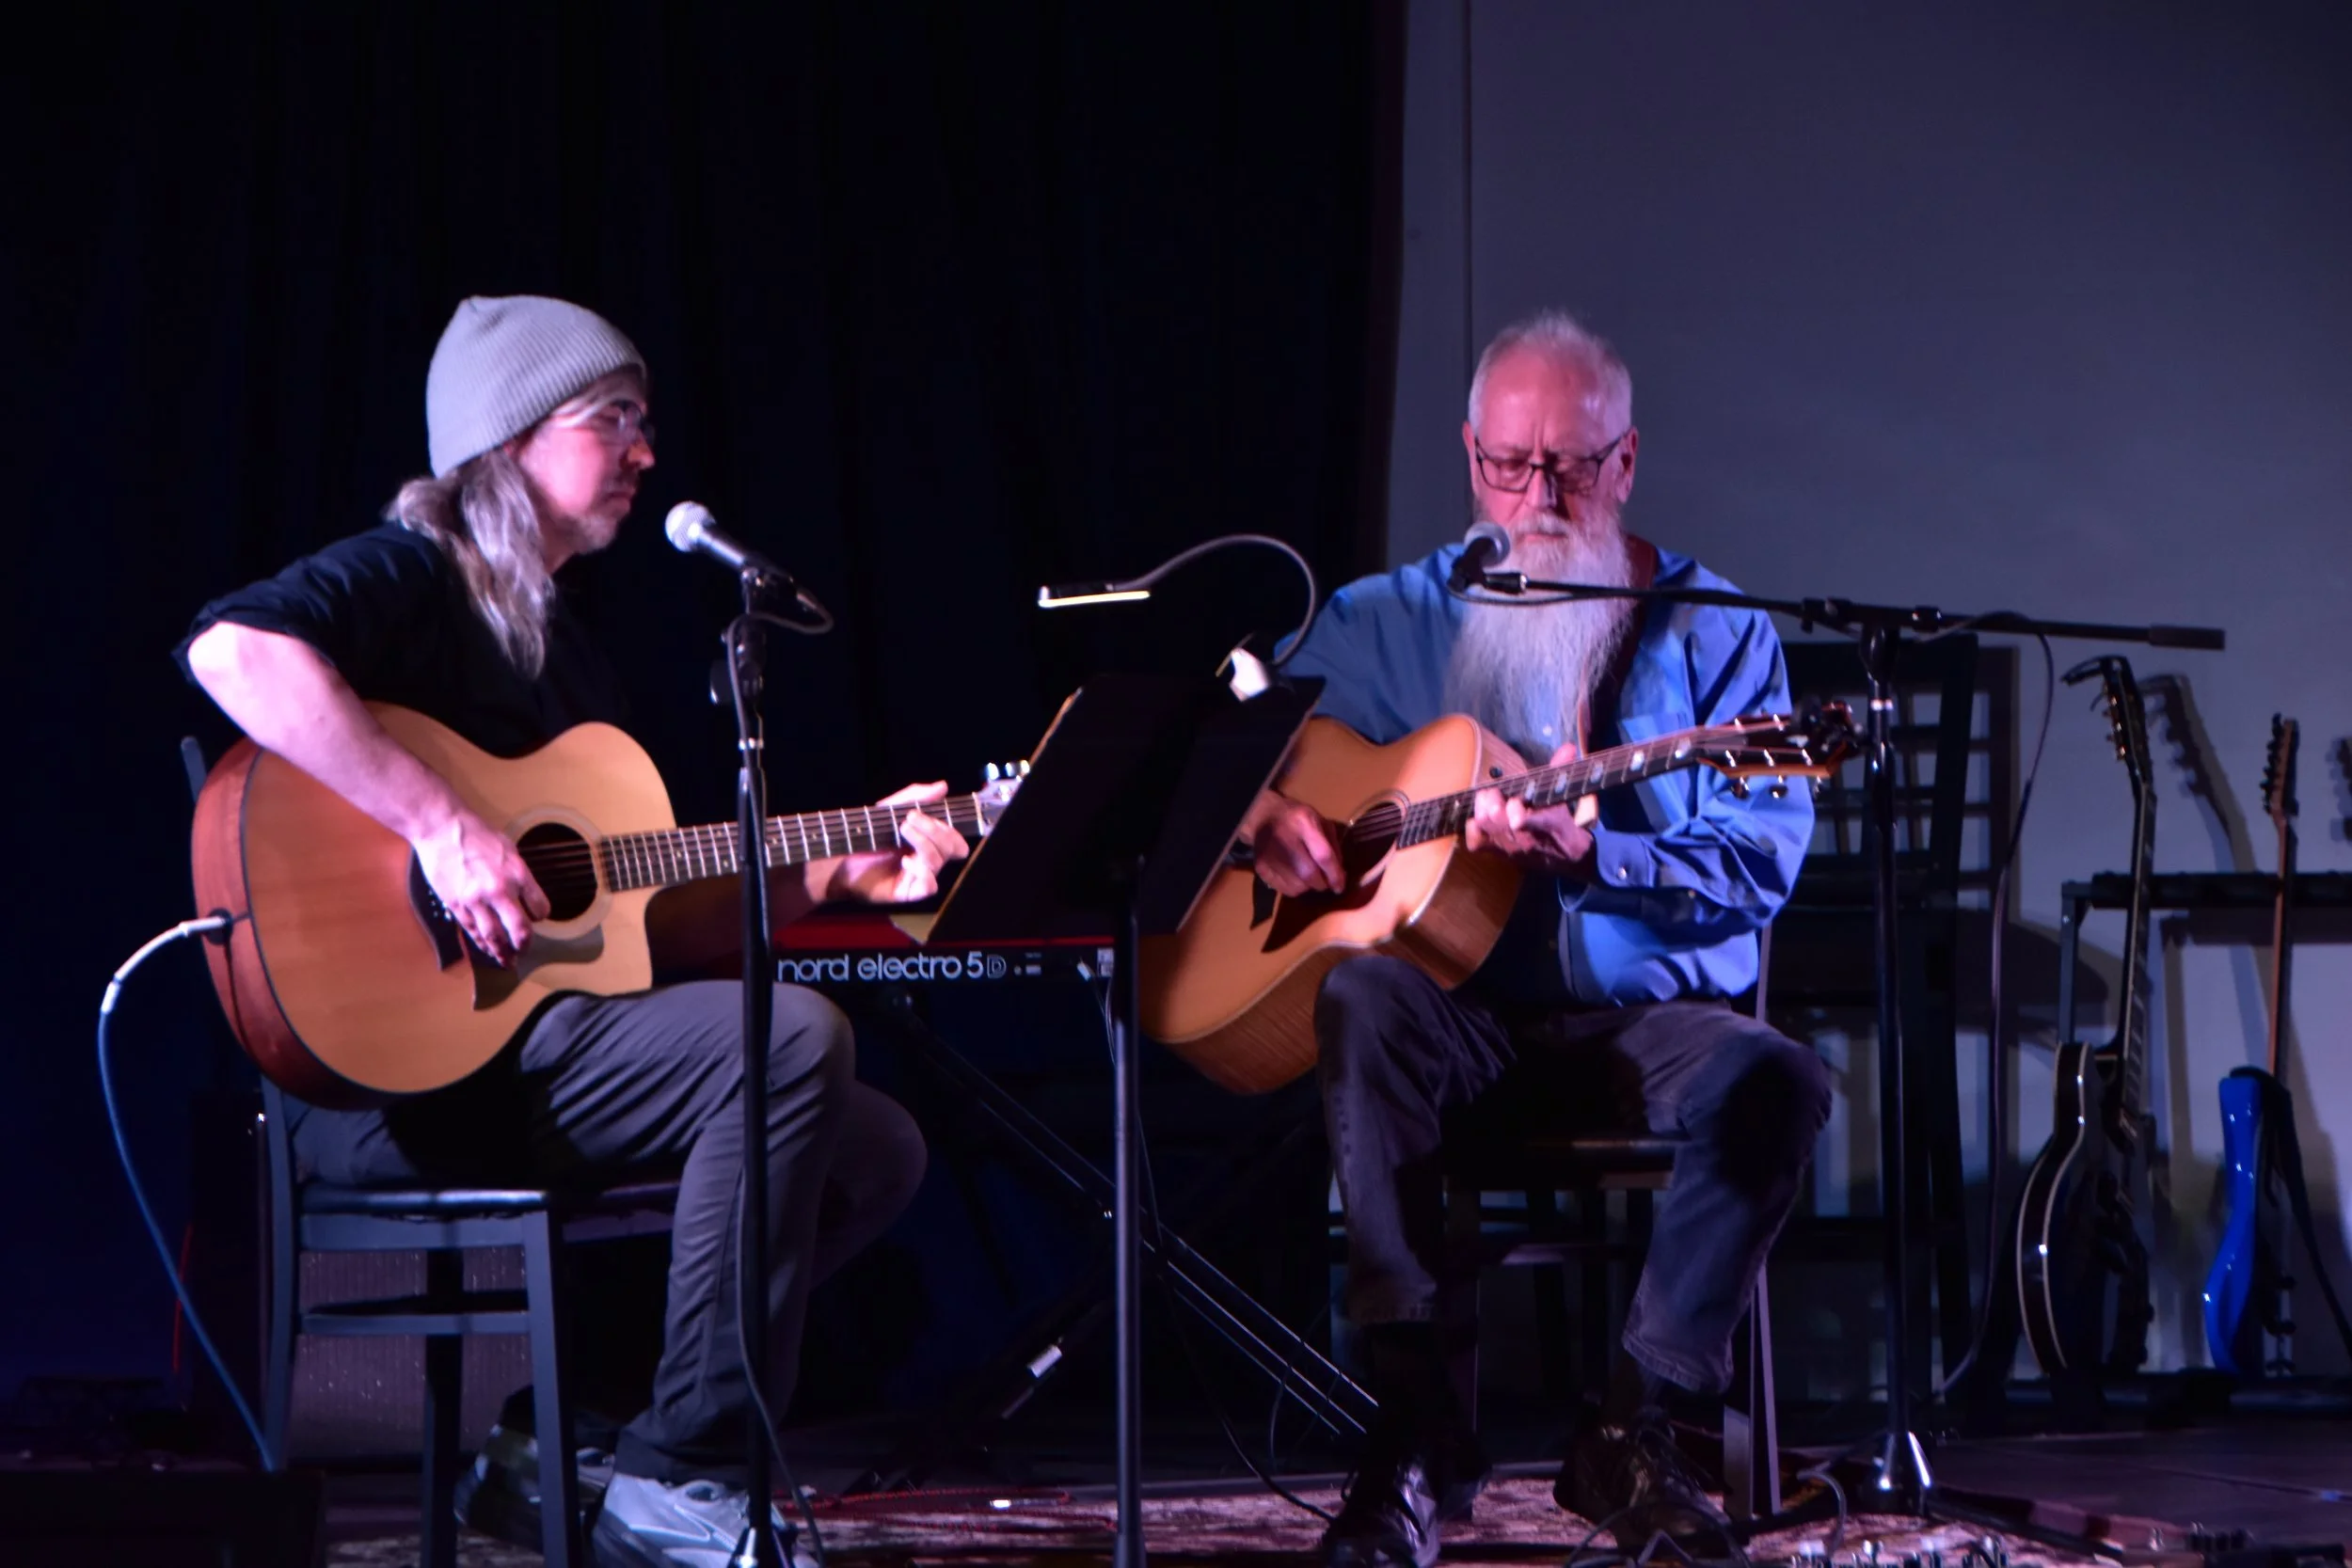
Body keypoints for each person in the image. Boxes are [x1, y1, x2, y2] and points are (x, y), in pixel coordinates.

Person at [177, 294, 964, 1568]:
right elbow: (233, 654)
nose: (647, 451)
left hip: (526, 1062)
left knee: (874, 1148)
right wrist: (439, 824)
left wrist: (827, 875)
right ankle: (686, 1475)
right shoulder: (413, 573)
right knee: (784, 1043)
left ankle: (565, 1438)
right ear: (510, 439)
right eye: (616, 419)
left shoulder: (565, 655)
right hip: (393, 1080)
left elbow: (642, 921)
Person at [1247, 310, 1833, 1567]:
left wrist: (1601, 856)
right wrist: (1261, 814)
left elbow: (1761, 862)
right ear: (1472, 457)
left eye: (1572, 466)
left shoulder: (1723, 634)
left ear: (1627, 462)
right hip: (1453, 1024)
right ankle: (1411, 1433)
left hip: (1644, 1029)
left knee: (1778, 1077)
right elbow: (1231, 756)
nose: (1541, 499)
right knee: (1359, 997)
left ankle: (1637, 1425)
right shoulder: (1383, 620)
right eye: (1512, 466)